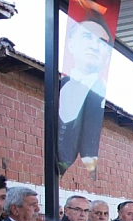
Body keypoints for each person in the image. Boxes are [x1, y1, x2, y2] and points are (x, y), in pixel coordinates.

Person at [57, 10, 114, 177]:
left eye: (102, 42)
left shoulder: (100, 94)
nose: (95, 46)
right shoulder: (59, 87)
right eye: (88, 37)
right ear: (71, 44)